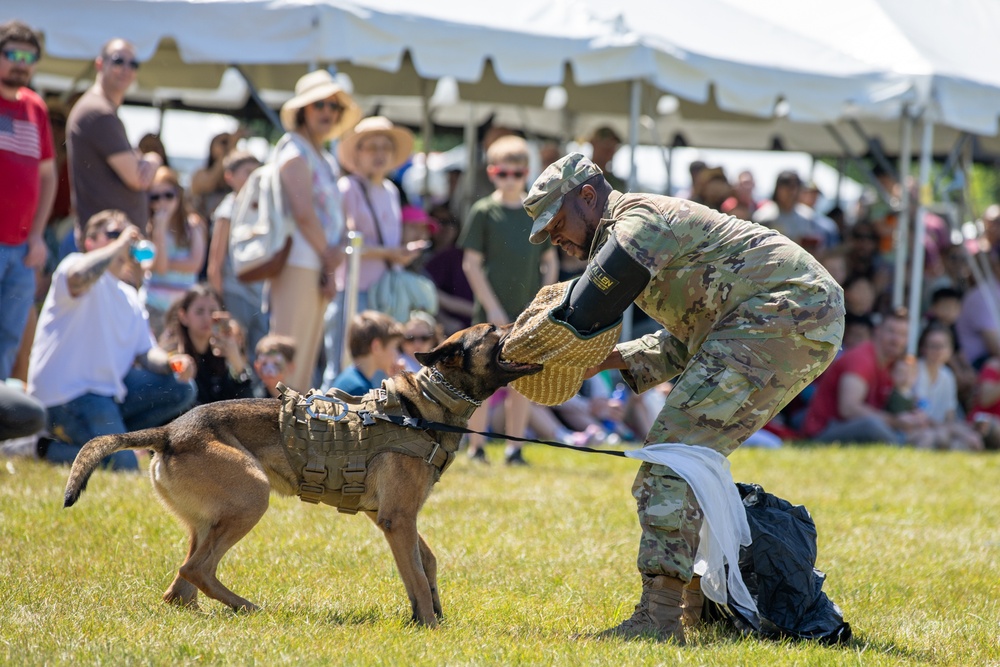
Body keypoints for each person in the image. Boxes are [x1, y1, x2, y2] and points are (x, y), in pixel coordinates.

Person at [521, 152, 844, 642]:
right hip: (783, 314)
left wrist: (523, 346)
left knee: (672, 457)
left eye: (559, 223)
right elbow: (686, 340)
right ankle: (693, 604)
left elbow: (588, 305)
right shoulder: (637, 242)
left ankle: (661, 617)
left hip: (783, 310)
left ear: (588, 196)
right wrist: (596, 362)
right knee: (692, 459)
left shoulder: (639, 222)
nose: (559, 241)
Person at [27, 209, 195, 470]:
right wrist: (121, 244)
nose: (125, 241)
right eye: (114, 233)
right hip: (68, 396)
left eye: (128, 235)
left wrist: (174, 362)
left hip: (106, 396)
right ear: (89, 242)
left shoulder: (129, 294)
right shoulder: (74, 263)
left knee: (181, 388)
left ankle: (107, 440)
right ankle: (40, 448)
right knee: (123, 468)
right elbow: (79, 278)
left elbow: (146, 353)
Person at [460, 135, 559, 466]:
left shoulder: (535, 212)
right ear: (491, 172)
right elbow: (471, 264)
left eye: (517, 173)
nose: (511, 179)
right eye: (504, 173)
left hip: (527, 314)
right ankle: (476, 448)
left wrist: (541, 305)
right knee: (482, 380)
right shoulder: (483, 211)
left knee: (523, 382)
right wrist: (492, 307)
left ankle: (514, 449)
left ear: (527, 173)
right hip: (488, 315)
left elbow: (550, 263)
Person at [269, 69, 360, 392]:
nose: (327, 112)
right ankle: (273, 434)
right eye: (319, 104)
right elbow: (303, 214)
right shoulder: (293, 149)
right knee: (286, 360)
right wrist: (330, 257)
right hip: (297, 262)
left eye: (333, 106)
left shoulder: (321, 155)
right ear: (302, 110)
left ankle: (293, 437)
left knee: (304, 363)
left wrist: (330, 261)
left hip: (317, 264)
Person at [328, 116, 421, 384]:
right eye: (372, 147)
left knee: (380, 372)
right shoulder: (348, 188)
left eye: (385, 147)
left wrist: (400, 252)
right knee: (344, 366)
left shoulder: (391, 190)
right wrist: (391, 253)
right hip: (354, 291)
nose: (379, 154)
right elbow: (347, 244)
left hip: (385, 295)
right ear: (357, 153)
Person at [64, 38, 161, 259]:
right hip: (105, 248)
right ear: (100, 64)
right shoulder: (98, 112)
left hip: (113, 248)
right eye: (118, 61)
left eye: (133, 64)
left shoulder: (103, 110)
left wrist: (144, 160)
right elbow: (137, 178)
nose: (126, 69)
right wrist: (153, 159)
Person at [0, 20, 55, 380]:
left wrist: (37, 236)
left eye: (29, 56)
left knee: (9, 339)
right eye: (13, 54)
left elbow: (48, 176)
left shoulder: (36, 107)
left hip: (22, 251)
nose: (22, 62)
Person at [802, 308, 916, 445]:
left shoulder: (892, 363)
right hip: (825, 430)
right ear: (878, 330)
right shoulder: (861, 359)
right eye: (891, 331)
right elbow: (849, 409)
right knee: (872, 425)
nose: (896, 339)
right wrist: (894, 422)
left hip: (848, 427)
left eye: (903, 334)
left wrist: (916, 414)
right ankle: (904, 444)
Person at [205, 150, 267, 367]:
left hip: (260, 295)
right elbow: (215, 262)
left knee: (260, 355)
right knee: (235, 353)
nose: (254, 177)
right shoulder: (228, 208)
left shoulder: (262, 207)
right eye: (247, 172)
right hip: (235, 293)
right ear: (229, 176)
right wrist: (220, 303)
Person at [158, 284, 254, 406]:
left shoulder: (222, 354)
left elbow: (247, 405)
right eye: (199, 312)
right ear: (184, 316)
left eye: (213, 312)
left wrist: (237, 363)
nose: (207, 318)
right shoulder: (173, 354)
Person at [143, 166, 207, 335]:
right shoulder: (147, 229)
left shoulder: (193, 225)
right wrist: (160, 231)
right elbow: (159, 268)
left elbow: (195, 264)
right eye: (155, 197)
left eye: (168, 195)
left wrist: (162, 262)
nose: (162, 201)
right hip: (153, 307)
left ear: (178, 194)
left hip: (184, 309)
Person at [913, 323, 983, 450]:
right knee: (939, 438)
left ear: (950, 350)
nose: (938, 351)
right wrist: (950, 430)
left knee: (968, 441)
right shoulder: (915, 371)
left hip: (942, 429)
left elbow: (949, 416)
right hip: (920, 430)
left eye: (942, 346)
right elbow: (920, 413)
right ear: (923, 348)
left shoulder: (948, 376)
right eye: (933, 346)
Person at [328, 310, 404, 396]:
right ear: (376, 347)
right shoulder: (359, 390)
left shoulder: (354, 379)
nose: (397, 354)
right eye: (395, 347)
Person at [753, 170, 827, 254]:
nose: (792, 192)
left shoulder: (807, 216)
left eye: (794, 187)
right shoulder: (765, 216)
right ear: (778, 189)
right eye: (787, 188)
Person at [189, 129, 244, 224]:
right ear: (211, 147)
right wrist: (229, 148)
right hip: (203, 225)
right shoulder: (200, 173)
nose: (227, 146)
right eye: (224, 142)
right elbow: (209, 183)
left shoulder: (236, 175)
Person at [252, 334, 297, 398]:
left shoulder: (296, 400)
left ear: (290, 367)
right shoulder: (252, 396)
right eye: (264, 364)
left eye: (276, 364)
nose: (269, 370)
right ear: (257, 366)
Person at [586, 126, 626, 192]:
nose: (609, 150)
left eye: (613, 145)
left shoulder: (616, 183)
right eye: (606, 143)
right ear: (593, 143)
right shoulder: (579, 175)